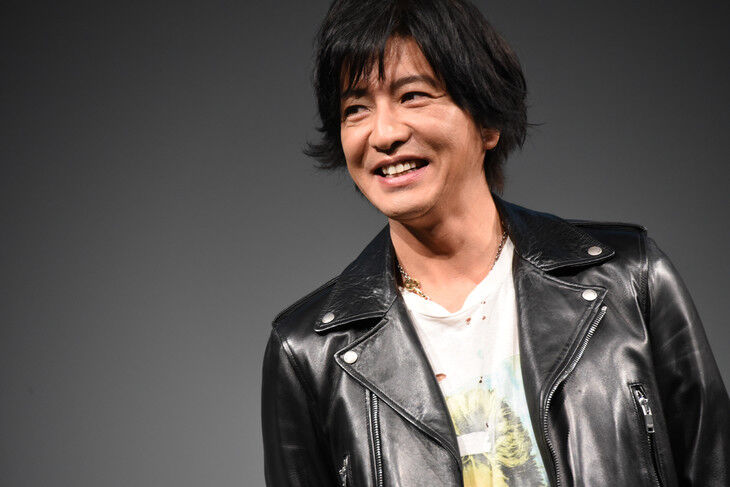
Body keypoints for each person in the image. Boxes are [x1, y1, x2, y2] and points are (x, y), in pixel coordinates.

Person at [261, 0, 730, 485]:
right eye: (356, 108)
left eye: (413, 96)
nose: (384, 133)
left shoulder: (629, 279)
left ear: (487, 121)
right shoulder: (309, 352)